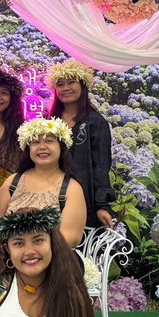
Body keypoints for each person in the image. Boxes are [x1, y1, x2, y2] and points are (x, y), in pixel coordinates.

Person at [0, 118, 86, 248]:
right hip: (9, 257)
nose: (42, 147)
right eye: (35, 142)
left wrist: (31, 255)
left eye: (49, 141)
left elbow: (70, 238)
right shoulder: (12, 182)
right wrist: (6, 255)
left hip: (55, 258)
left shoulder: (72, 189)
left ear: (61, 147)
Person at [48, 59, 116, 229]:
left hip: (83, 198)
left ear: (83, 85)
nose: (65, 88)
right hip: (50, 196)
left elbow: (101, 166)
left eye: (71, 82)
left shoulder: (95, 122)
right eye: (60, 84)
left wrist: (102, 205)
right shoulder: (49, 121)